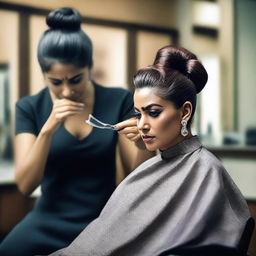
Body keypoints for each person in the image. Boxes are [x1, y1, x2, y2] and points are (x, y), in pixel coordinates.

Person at [46, 45, 254, 256]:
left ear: (185, 112)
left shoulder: (207, 172)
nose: (142, 125)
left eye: (153, 113)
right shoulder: (150, 167)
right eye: (138, 114)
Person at [0, 7, 154, 256]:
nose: (66, 91)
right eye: (55, 82)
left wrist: (142, 144)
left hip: (103, 220)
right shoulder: (29, 107)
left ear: (89, 68)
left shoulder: (119, 100)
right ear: (44, 75)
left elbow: (134, 178)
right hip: (47, 220)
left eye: (75, 80)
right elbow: (26, 185)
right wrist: (48, 130)